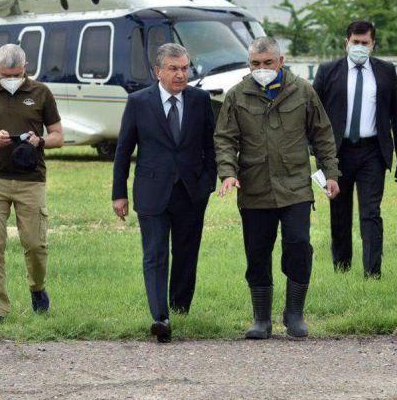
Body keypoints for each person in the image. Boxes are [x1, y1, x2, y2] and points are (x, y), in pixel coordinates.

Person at [215, 36, 340, 339]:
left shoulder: (303, 91)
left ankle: (294, 314)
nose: (262, 68)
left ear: (281, 61)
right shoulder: (236, 96)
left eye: (268, 62)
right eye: (256, 64)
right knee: (257, 252)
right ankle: (261, 319)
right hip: (255, 187)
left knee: (298, 245)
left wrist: (331, 172)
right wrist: (228, 173)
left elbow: (322, 134)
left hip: (295, 185)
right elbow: (225, 139)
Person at [112, 44, 217, 343]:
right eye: (173, 68)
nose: (180, 74)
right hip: (152, 190)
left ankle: (180, 308)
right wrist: (118, 193)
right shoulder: (138, 102)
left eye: (185, 68)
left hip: (191, 191)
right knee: (155, 254)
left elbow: (211, 146)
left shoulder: (200, 100)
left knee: (186, 253)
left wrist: (208, 181)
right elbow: (123, 150)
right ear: (158, 71)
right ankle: (160, 317)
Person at [0, 43, 64, 324]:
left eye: (16, 74)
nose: (11, 79)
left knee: (35, 244)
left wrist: (40, 140)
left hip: (30, 179)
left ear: (25, 68)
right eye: (5, 74)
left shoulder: (41, 92)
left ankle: (37, 287)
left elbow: (58, 135)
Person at [312, 20, 397, 278]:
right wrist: (315, 152)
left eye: (365, 43)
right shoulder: (327, 71)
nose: (359, 47)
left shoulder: (386, 71)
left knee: (371, 213)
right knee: (339, 213)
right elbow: (312, 114)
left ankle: (372, 273)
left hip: (372, 153)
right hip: (337, 154)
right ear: (346, 43)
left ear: (373, 44)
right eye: (355, 42)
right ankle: (341, 269)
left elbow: (396, 114)